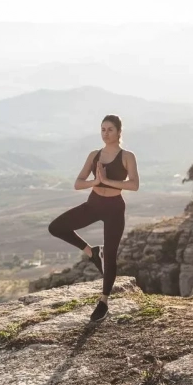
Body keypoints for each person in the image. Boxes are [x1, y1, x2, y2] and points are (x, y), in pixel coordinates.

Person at [48, 114, 139, 321]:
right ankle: (92, 252)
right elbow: (78, 183)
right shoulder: (94, 155)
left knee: (112, 254)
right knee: (56, 227)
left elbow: (134, 185)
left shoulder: (127, 156)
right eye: (103, 129)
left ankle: (104, 301)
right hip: (94, 204)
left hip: (115, 208)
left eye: (110, 130)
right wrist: (95, 182)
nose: (106, 134)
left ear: (119, 132)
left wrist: (107, 180)